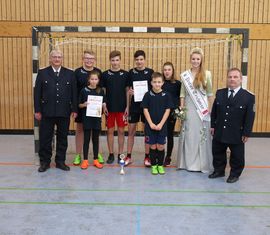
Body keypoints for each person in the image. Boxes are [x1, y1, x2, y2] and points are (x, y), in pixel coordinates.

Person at [209, 67, 255, 183]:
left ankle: (235, 174)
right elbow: (214, 111)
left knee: (237, 155)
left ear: (240, 79)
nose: (232, 79)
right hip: (220, 129)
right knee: (218, 151)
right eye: (230, 77)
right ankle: (219, 171)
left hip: (237, 132)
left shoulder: (248, 97)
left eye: (235, 77)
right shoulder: (220, 93)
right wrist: (213, 126)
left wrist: (246, 133)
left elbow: (250, 116)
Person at [34, 49, 77, 172]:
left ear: (62, 59)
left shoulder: (69, 73)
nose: (57, 59)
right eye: (54, 57)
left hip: (64, 111)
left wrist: (74, 109)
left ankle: (60, 161)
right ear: (50, 58)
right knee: (45, 137)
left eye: (59, 57)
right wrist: (37, 110)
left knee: (62, 137)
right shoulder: (42, 73)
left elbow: (74, 92)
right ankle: (45, 162)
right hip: (47, 111)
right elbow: (37, 93)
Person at [177, 47, 214, 173]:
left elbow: (209, 94)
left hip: (202, 110)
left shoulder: (207, 74)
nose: (195, 61)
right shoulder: (185, 75)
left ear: (201, 60)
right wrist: (181, 109)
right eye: (193, 58)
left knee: (200, 135)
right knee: (189, 135)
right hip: (189, 108)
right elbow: (182, 93)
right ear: (190, 59)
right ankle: (187, 163)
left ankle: (200, 164)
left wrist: (209, 109)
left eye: (198, 59)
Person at [73, 50, 103, 166]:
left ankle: (97, 154)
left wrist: (103, 105)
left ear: (94, 60)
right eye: (87, 58)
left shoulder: (98, 72)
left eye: (91, 58)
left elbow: (102, 90)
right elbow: (74, 91)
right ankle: (78, 154)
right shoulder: (77, 72)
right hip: (82, 108)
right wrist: (76, 107)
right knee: (80, 130)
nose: (89, 60)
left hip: (95, 109)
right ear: (83, 59)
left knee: (96, 131)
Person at [125, 50, 154, 166]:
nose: (139, 62)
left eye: (141, 59)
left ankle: (147, 157)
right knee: (131, 131)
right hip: (134, 107)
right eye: (137, 59)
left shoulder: (150, 72)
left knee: (147, 132)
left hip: (147, 107)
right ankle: (128, 156)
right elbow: (128, 91)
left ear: (144, 60)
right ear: (134, 60)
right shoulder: (131, 72)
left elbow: (154, 89)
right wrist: (128, 105)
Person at [141, 72, 173, 175]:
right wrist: (150, 123)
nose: (157, 84)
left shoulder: (166, 95)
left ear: (163, 83)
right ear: (151, 83)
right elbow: (145, 110)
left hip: (162, 126)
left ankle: (160, 165)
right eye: (155, 82)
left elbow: (167, 110)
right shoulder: (147, 95)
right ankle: (154, 166)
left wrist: (161, 124)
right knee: (153, 146)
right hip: (150, 126)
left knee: (160, 146)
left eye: (159, 82)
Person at [102, 50, 129, 164]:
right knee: (110, 131)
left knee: (121, 131)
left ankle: (120, 154)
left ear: (120, 60)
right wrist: (104, 105)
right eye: (113, 60)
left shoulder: (125, 74)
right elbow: (103, 91)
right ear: (110, 61)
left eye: (117, 60)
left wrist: (128, 106)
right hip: (110, 108)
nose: (115, 62)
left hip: (122, 108)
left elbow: (127, 91)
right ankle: (111, 154)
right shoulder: (105, 74)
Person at [78, 70, 107, 169]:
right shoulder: (83, 90)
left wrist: (104, 107)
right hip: (86, 119)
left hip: (96, 118)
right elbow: (79, 104)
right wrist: (84, 104)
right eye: (92, 79)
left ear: (98, 80)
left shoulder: (100, 91)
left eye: (96, 79)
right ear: (88, 80)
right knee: (86, 139)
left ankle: (95, 159)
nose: (94, 81)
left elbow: (104, 102)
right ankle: (85, 160)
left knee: (96, 139)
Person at [162, 62, 181, 166]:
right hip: (160, 113)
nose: (167, 72)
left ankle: (168, 157)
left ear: (172, 71)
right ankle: (158, 155)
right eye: (165, 70)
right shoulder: (160, 83)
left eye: (169, 69)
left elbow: (180, 99)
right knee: (159, 135)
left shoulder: (177, 84)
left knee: (170, 135)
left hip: (172, 114)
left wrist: (178, 112)